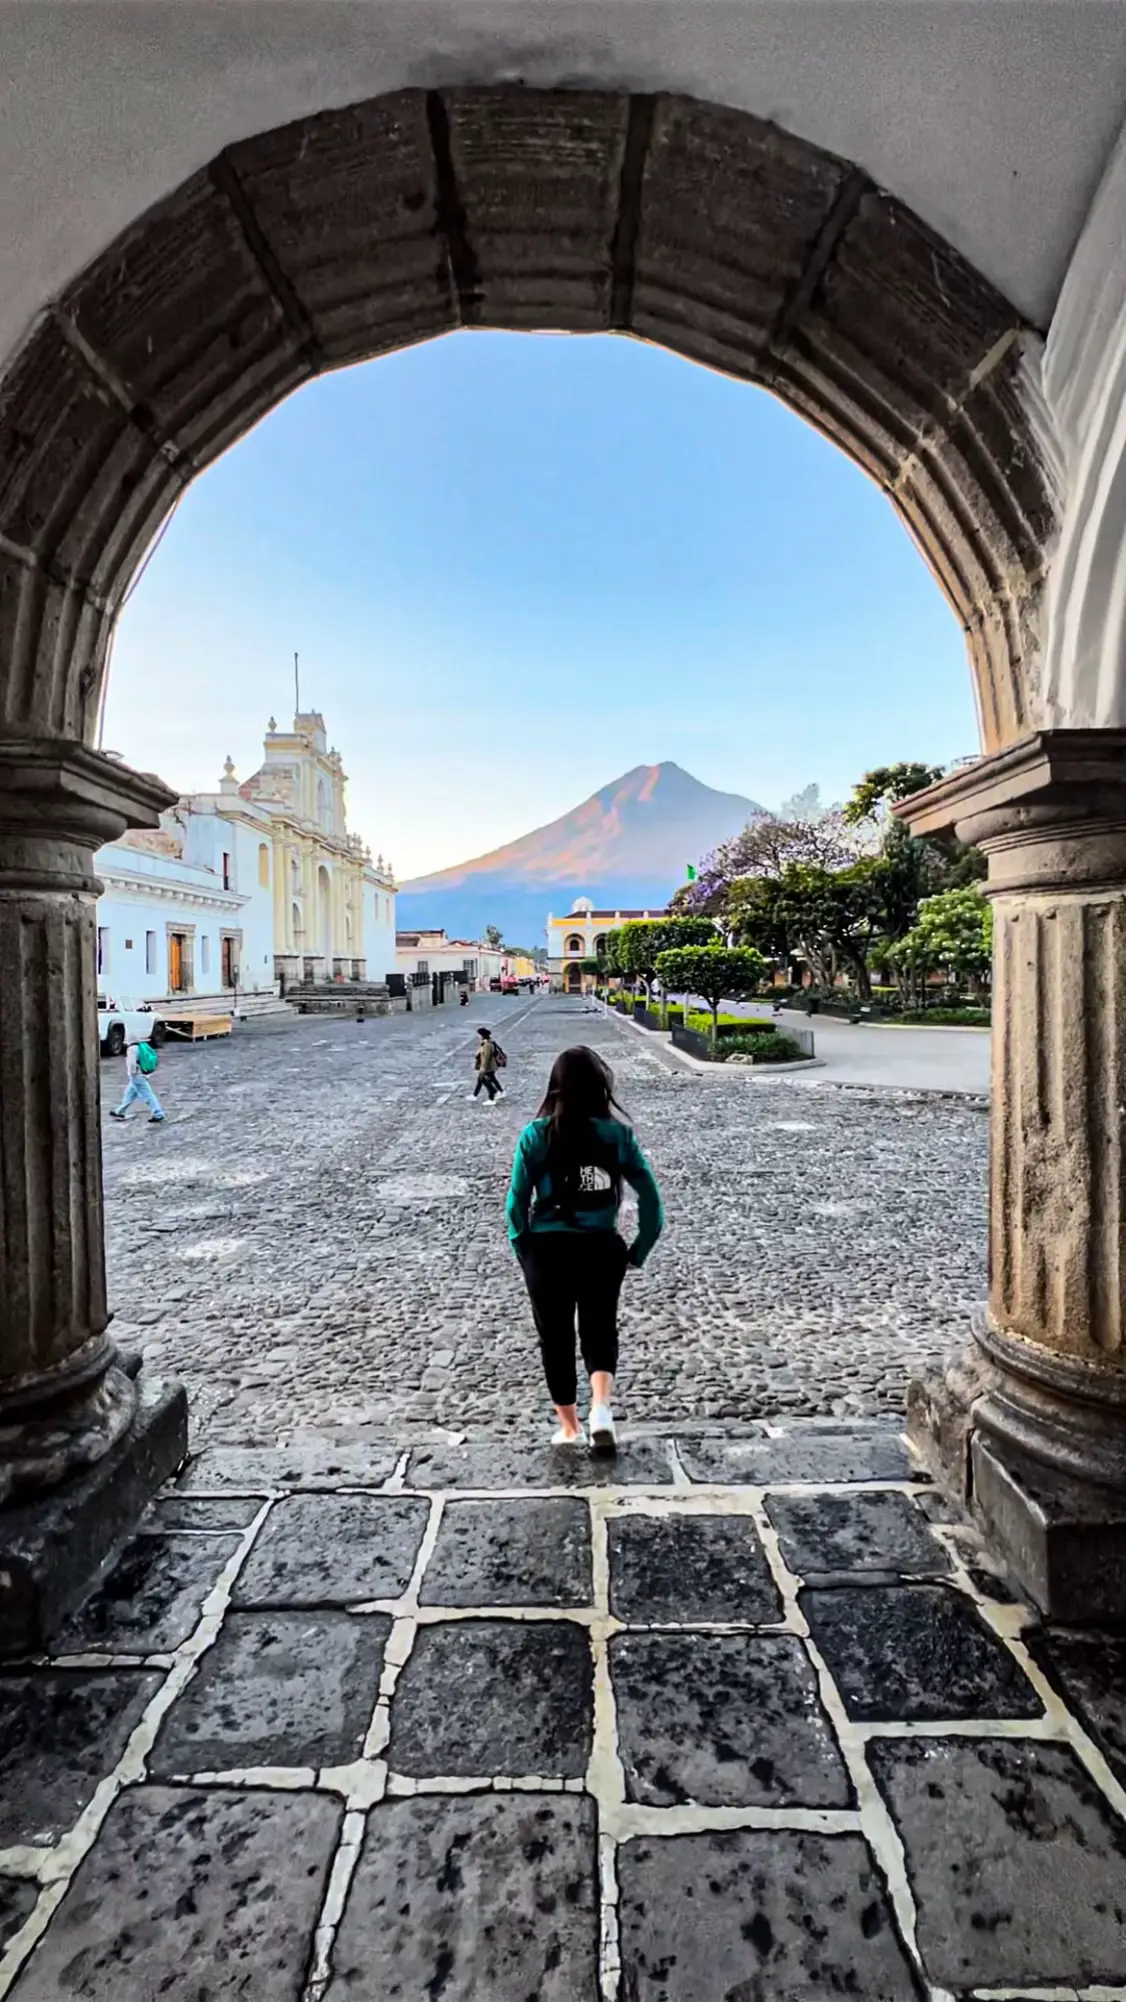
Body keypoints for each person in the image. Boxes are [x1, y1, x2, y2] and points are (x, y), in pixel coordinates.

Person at [505, 1045, 663, 1452]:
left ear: (554, 1087)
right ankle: (602, 1410)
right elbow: (651, 1198)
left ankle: (571, 1428)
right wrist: (638, 1249)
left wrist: (523, 1247)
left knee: (554, 1338)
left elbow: (516, 1202)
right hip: (600, 1247)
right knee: (599, 1329)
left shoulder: (536, 1134)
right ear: (600, 1086)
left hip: (547, 1249)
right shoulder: (617, 1134)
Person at [109, 1036, 165, 1124]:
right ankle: (119, 1112)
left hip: (136, 1076)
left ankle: (158, 1113)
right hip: (142, 1073)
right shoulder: (141, 1046)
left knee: (148, 1095)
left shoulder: (132, 1049)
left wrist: (132, 1074)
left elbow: (132, 1064)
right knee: (129, 1094)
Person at [470, 1025, 505, 1102]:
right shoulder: (486, 1043)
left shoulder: (487, 1045)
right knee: (482, 1079)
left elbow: (486, 1057)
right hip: (489, 1066)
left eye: (479, 1035)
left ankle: (493, 1095)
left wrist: (483, 1068)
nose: (478, 1036)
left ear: (482, 1035)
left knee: (483, 1080)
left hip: (488, 1067)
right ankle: (475, 1095)